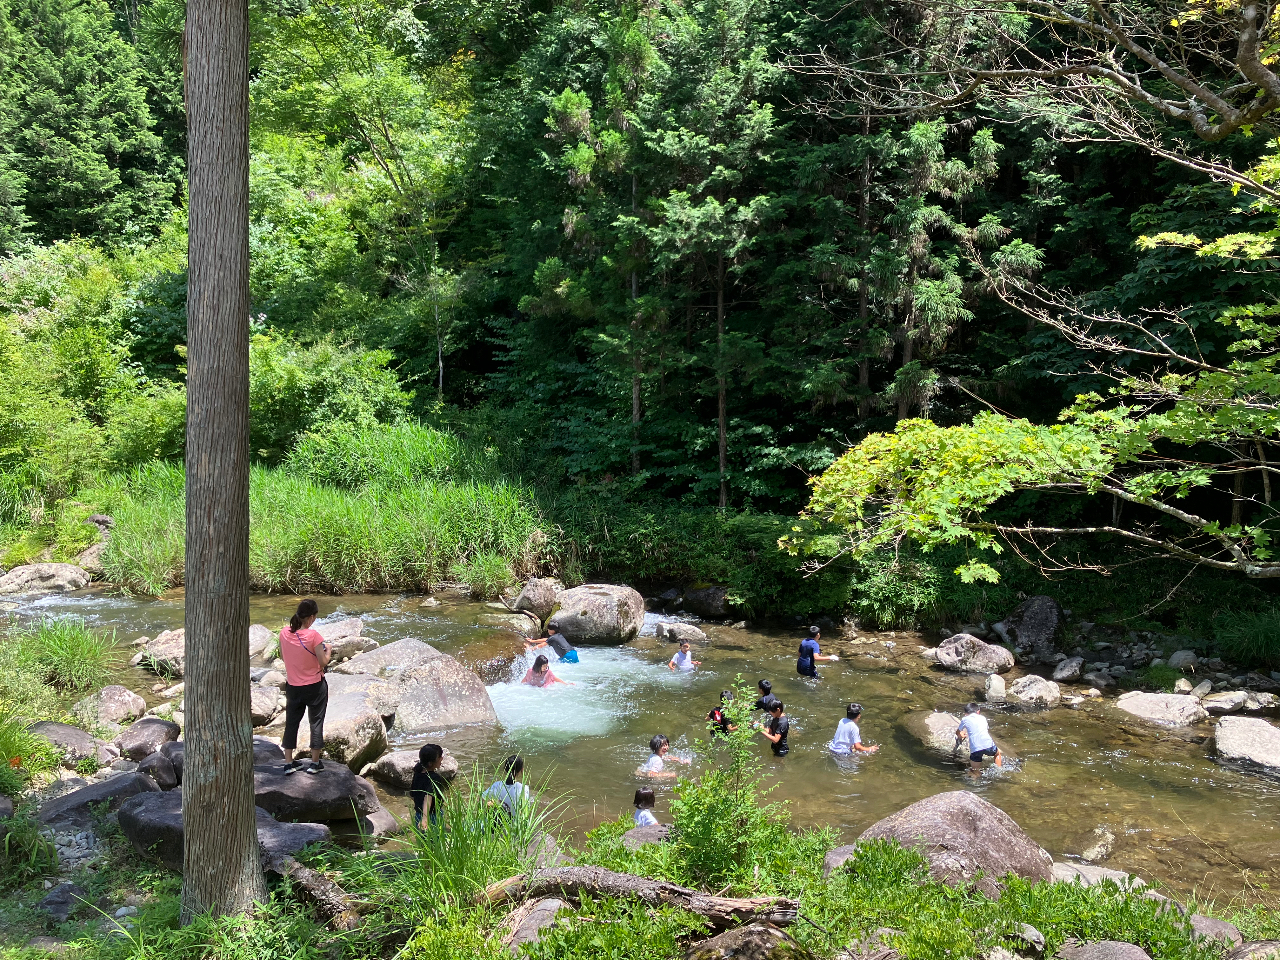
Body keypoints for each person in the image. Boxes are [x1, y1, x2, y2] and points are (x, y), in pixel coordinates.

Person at [279, 598, 331, 775]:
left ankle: (288, 763)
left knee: (291, 722)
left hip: (293, 686)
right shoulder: (314, 636)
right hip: (315, 687)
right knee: (316, 722)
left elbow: (285, 655)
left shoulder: (284, 633)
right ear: (312, 617)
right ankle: (314, 763)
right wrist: (328, 651)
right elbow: (323, 662)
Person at [410, 743, 450, 828]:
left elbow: (412, 795)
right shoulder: (434, 777)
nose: (442, 758)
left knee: (422, 840)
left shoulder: (417, 774)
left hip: (418, 815)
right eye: (440, 757)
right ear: (430, 763)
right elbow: (428, 797)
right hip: (431, 816)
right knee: (436, 840)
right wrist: (425, 819)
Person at [956, 702, 1003, 771]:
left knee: (975, 771)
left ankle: (975, 779)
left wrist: (961, 735)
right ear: (978, 711)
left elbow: (957, 732)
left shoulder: (964, 719)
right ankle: (999, 770)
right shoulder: (983, 718)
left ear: (966, 713)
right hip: (988, 745)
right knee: (997, 754)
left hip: (975, 749)